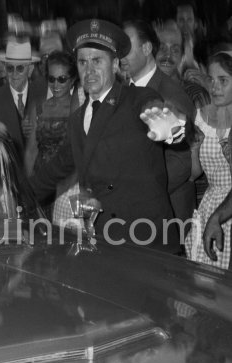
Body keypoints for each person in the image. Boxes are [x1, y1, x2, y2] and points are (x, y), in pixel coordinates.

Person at [29, 19, 185, 253]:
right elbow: (52, 172)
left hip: (148, 243)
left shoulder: (137, 98)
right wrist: (14, 199)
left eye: (97, 61)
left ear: (114, 64)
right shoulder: (77, 119)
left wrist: (167, 122)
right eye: (82, 62)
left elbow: (153, 107)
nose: (89, 70)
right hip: (104, 241)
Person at [121, 19, 196, 228]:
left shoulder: (170, 96)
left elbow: (181, 164)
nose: (120, 54)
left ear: (146, 48)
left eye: (126, 47)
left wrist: (139, 193)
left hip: (165, 213)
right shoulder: (124, 91)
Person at [186, 51, 232, 269]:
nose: (215, 87)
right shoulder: (200, 116)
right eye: (211, 80)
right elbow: (194, 175)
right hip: (210, 202)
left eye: (223, 80)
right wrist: (194, 149)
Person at [23, 51, 80, 225]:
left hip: (68, 179)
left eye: (61, 79)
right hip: (41, 178)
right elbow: (31, 150)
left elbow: (78, 150)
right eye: (51, 79)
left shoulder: (78, 106)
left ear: (72, 79)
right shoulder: (39, 106)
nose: (55, 84)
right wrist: (26, 186)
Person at [0, 41, 47, 157]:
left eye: (20, 68)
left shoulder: (43, 95)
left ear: (30, 69)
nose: (14, 74)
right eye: (10, 68)